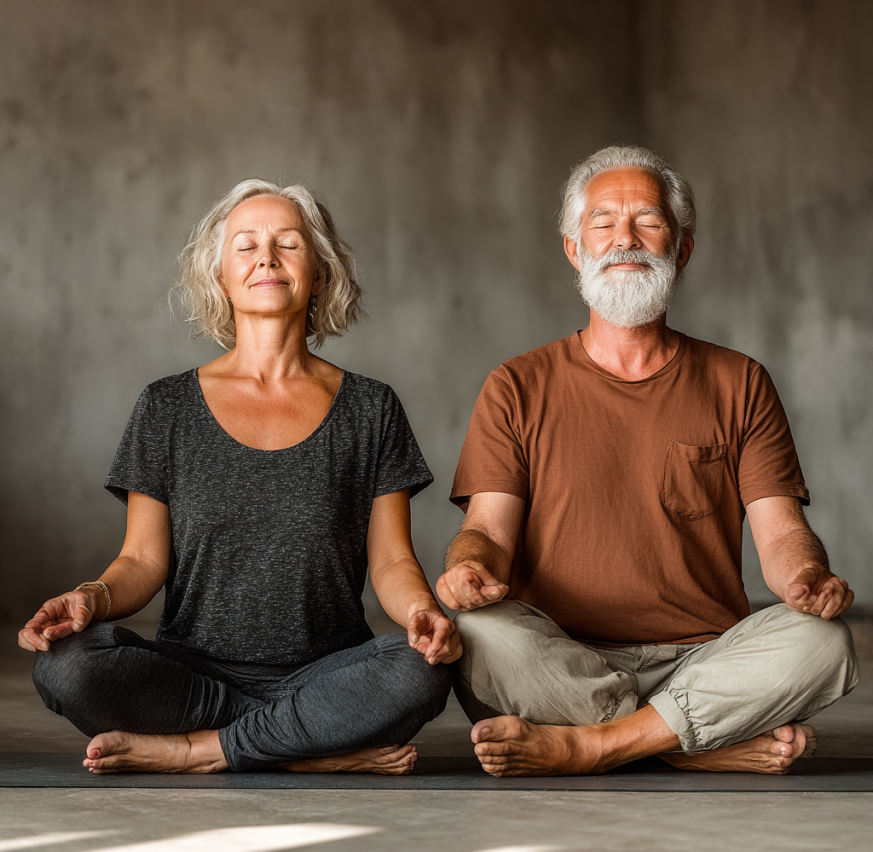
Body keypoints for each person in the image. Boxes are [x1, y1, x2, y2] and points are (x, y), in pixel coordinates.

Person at [437, 146, 859, 777]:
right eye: (603, 222)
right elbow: (488, 533)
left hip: (702, 659)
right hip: (562, 658)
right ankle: (687, 741)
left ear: (681, 249)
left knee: (823, 640)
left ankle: (591, 744)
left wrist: (807, 574)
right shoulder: (516, 385)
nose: (625, 239)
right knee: (480, 631)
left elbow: (781, 535)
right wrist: (468, 569)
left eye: (648, 222)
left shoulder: (740, 382)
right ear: (575, 249)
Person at [19, 179, 458, 775]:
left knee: (422, 669)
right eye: (246, 246)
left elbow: (392, 562)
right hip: (193, 677)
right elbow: (142, 561)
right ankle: (305, 745)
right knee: (66, 664)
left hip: (327, 671)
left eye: (288, 244)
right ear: (221, 277)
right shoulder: (165, 407)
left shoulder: (371, 408)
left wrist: (421, 613)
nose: (266, 259)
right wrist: (90, 597)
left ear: (320, 273)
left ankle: (199, 750)